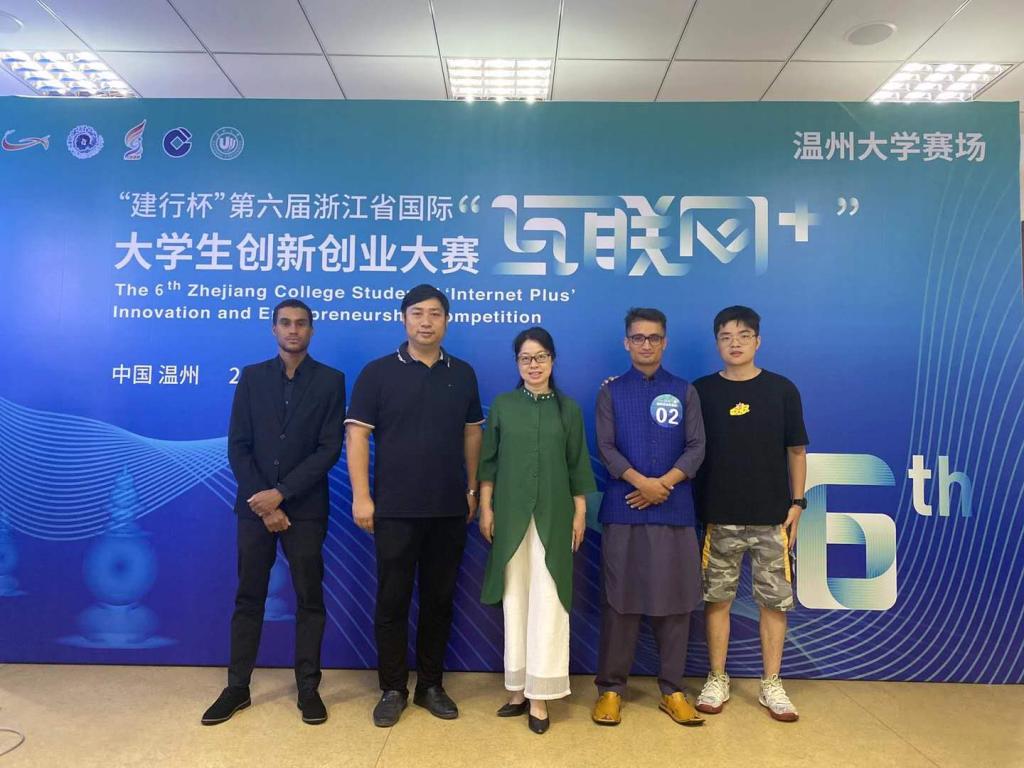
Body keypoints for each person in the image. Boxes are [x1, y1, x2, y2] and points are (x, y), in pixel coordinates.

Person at [345, 284, 483, 728]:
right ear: (403, 319)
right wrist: (362, 496)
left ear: (447, 321)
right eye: (418, 313)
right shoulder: (378, 372)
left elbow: (473, 433)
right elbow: (357, 435)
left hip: (448, 509)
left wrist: (472, 490)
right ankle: (392, 688)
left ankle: (430, 685)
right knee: (393, 601)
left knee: (439, 602)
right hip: (394, 509)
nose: (426, 321)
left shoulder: (462, 373)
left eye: (435, 313)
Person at [202, 299, 345, 726]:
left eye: (301, 323)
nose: (293, 330)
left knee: (309, 599)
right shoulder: (252, 377)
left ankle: (308, 689)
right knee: (249, 597)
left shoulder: (331, 381)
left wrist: (281, 494)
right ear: (274, 329)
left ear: (311, 330)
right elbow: (238, 445)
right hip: (254, 510)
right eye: (285, 323)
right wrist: (264, 503)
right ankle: (237, 688)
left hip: (306, 509)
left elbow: (328, 449)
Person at [590, 308, 706, 728]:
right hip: (624, 508)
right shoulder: (611, 392)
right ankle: (610, 689)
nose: (646, 344)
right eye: (638, 337)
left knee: (676, 601)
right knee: (619, 602)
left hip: (674, 509)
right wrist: (641, 482)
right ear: (626, 342)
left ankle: (672, 690)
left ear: (664, 342)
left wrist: (663, 485)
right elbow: (605, 447)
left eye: (654, 337)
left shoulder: (684, 391)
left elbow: (696, 447)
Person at [693, 306, 808, 723]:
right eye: (726, 336)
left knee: (774, 603)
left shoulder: (782, 390)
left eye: (744, 335)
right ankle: (717, 677)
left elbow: (797, 451)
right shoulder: (701, 391)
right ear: (717, 343)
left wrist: (797, 504)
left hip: (771, 517)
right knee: (716, 599)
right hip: (718, 516)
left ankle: (771, 683)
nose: (735, 343)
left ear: (758, 341)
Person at [478, 327, 595, 734]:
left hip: (555, 516)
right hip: (510, 516)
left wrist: (580, 513)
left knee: (549, 599)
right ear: (517, 363)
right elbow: (489, 462)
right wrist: (486, 508)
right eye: (526, 358)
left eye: (541, 357)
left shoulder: (569, 409)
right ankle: (517, 688)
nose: (534, 365)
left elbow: (578, 464)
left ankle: (540, 695)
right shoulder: (503, 406)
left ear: (552, 360)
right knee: (515, 599)